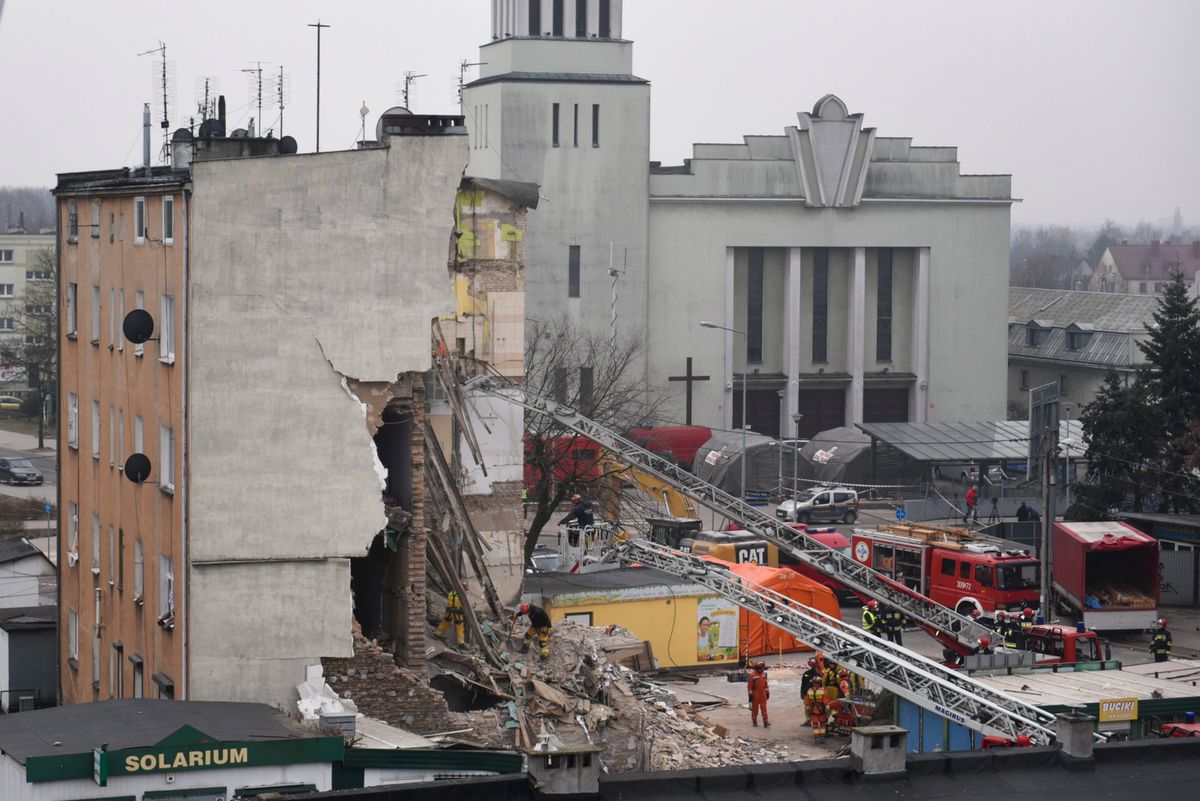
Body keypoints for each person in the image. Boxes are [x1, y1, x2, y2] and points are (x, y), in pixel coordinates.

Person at [747, 661, 770, 728]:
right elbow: (749, 686)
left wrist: (767, 692)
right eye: (760, 668)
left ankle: (765, 721)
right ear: (757, 668)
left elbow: (765, 684)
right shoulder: (752, 675)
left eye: (762, 668)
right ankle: (754, 721)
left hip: (762, 694)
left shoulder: (763, 674)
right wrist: (750, 694)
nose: (761, 670)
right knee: (755, 708)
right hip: (755, 694)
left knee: (764, 708)